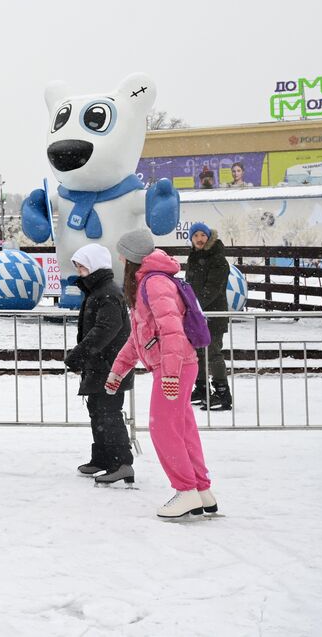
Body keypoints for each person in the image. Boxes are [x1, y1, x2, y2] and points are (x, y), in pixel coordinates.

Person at [105, 230, 217, 520]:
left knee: (163, 429)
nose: (119, 258)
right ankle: (201, 490)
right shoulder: (149, 281)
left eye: (122, 254)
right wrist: (119, 369)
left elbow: (171, 331)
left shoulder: (154, 283)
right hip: (178, 365)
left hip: (175, 367)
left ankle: (186, 491)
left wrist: (169, 374)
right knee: (182, 429)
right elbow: (141, 337)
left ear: (132, 257)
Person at [63, 244, 134, 486]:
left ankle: (121, 463)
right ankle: (103, 457)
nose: (79, 271)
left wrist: (79, 355)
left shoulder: (107, 293)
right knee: (97, 410)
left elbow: (105, 329)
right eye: (77, 266)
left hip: (110, 366)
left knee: (109, 413)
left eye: (82, 266)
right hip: (101, 365)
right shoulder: (98, 291)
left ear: (94, 266)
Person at [185, 222, 232, 411]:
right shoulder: (194, 257)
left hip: (214, 314)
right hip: (198, 314)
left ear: (208, 236)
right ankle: (202, 388)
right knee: (198, 352)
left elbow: (212, 288)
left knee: (213, 353)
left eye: (202, 235)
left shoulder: (218, 259)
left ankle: (222, 393)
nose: (199, 239)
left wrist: (195, 307)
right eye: (195, 236)